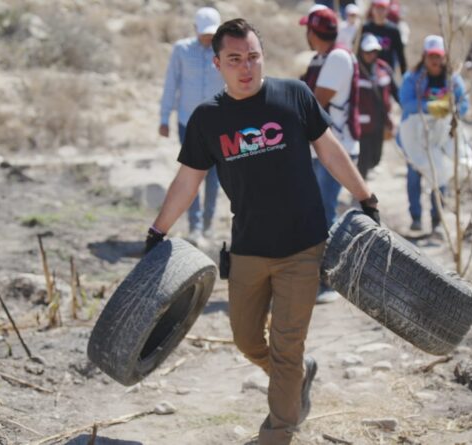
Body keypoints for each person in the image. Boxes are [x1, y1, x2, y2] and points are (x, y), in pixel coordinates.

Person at [144, 19, 380, 445]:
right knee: (247, 339)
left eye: (253, 56)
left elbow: (329, 150)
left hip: (303, 246)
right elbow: (187, 180)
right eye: (235, 59)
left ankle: (277, 433)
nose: (246, 67)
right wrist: (158, 230)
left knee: (287, 346)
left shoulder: (294, 95)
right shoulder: (207, 119)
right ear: (217, 63)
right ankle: (296, 376)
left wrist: (366, 197)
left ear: (262, 57)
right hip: (249, 248)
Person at [300, 7, 361, 304]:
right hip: (322, 147)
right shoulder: (324, 58)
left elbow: (315, 102)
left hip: (334, 148)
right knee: (318, 212)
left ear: (313, 32)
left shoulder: (337, 58)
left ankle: (330, 280)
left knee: (325, 212)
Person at [159, 7, 225, 244]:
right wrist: (164, 118)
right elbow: (171, 83)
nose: (208, 39)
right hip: (188, 123)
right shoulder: (181, 50)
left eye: (212, 34)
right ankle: (195, 226)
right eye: (204, 33)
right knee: (191, 176)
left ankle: (208, 225)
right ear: (195, 29)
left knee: (214, 176)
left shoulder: (225, 50)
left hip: (219, 125)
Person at [400, 35, 468, 234]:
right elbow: (406, 103)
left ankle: (437, 220)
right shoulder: (412, 78)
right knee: (414, 174)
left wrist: (453, 111)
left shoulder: (453, 79)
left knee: (440, 174)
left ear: (444, 56)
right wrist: (430, 107)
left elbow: (464, 103)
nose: (435, 61)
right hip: (415, 136)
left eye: (438, 56)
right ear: (424, 56)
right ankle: (416, 217)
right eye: (431, 56)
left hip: (441, 136)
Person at [357, 33, 398, 179]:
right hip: (362, 123)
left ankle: (366, 172)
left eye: (373, 51)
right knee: (363, 156)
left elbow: (394, 89)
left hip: (380, 120)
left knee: (376, 157)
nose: (370, 55)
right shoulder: (354, 70)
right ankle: (360, 191)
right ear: (361, 51)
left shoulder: (383, 68)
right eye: (367, 51)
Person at [362, 0, 407, 75]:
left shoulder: (393, 30)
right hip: (367, 72)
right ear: (372, 9)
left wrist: (404, 74)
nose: (379, 11)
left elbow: (400, 55)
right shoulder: (365, 28)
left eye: (382, 8)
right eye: (377, 8)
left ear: (387, 10)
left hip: (387, 72)